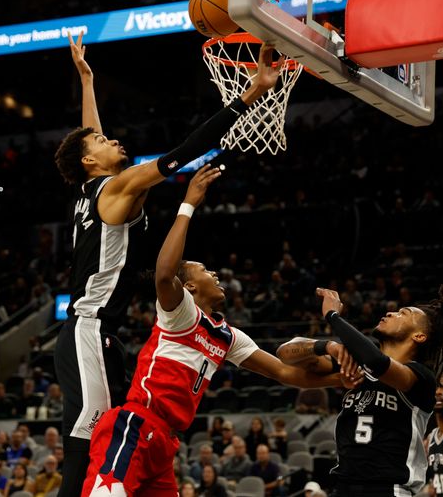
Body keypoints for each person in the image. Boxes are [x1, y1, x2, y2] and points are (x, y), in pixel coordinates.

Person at [53, 31, 284, 496]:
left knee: (109, 433)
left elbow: (87, 140)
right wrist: (251, 95)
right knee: (89, 433)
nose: (112, 137)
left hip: (100, 332)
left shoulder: (91, 187)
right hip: (88, 327)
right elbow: (183, 153)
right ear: (88, 160)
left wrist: (87, 82)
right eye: (102, 139)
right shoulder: (114, 189)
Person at [80, 167, 360, 496]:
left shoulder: (227, 336)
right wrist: (188, 205)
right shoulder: (181, 313)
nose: (214, 273)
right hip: (137, 425)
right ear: (189, 287)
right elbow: (164, 274)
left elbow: (286, 372)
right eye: (204, 270)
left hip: (165, 442)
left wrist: (337, 380)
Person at [278, 285, 443, 496]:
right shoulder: (355, 365)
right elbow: (285, 353)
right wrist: (326, 345)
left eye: (404, 313)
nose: (391, 312)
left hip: (388, 489)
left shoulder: (421, 377)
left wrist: (332, 315)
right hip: (344, 486)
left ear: (419, 336)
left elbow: (376, 361)